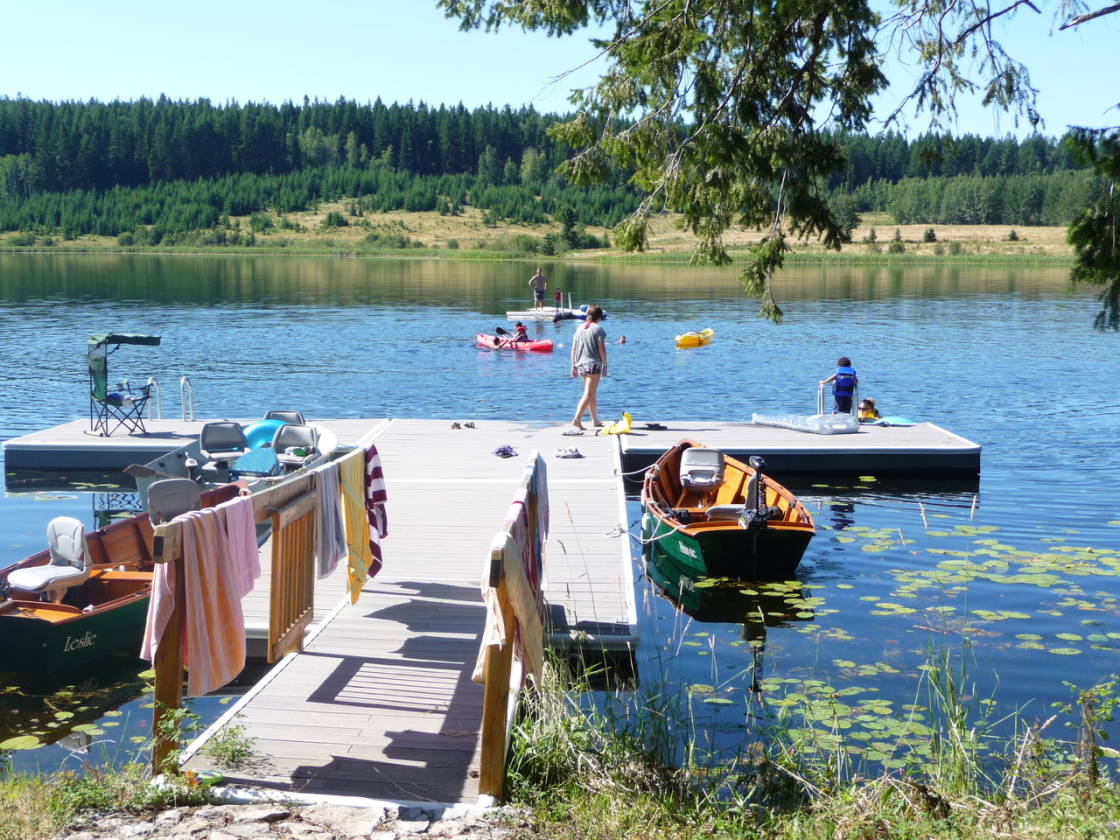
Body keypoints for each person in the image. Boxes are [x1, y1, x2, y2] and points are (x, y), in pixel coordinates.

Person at [569, 304, 607, 431]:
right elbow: (602, 348)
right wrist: (605, 365)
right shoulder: (598, 329)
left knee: (591, 393)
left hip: (581, 364)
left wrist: (573, 365)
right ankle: (577, 419)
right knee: (589, 393)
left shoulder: (579, 328)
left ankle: (595, 420)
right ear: (599, 317)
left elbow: (573, 348)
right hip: (593, 364)